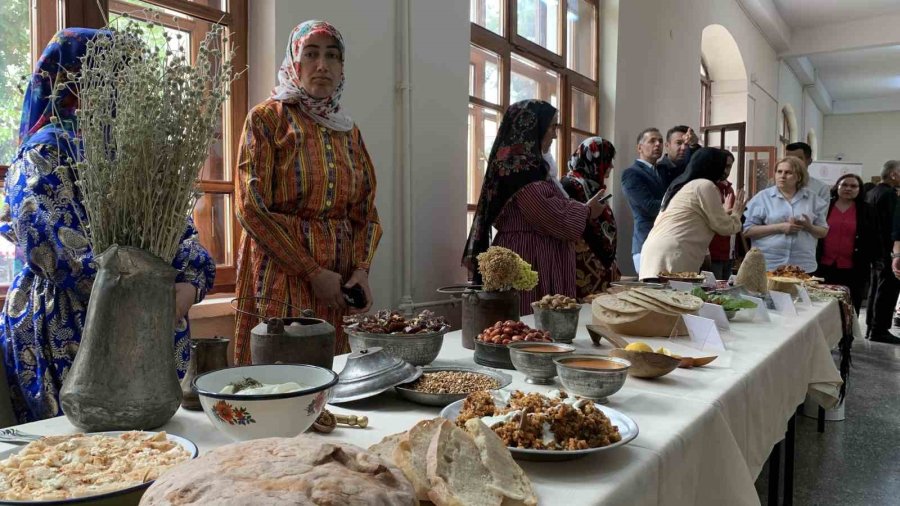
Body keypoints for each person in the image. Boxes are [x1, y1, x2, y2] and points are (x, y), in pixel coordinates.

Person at [0, 29, 215, 423]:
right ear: (74, 79)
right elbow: (54, 247)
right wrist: (143, 292)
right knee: (87, 461)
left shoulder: (136, 155)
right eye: (115, 74)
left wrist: (188, 286)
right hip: (71, 329)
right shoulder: (45, 155)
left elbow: (180, 233)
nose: (125, 88)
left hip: (156, 323)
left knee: (161, 449)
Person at [233, 21, 382, 362]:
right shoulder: (268, 120)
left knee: (332, 374)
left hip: (339, 279)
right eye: (311, 54)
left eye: (332, 56)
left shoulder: (348, 131)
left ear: (342, 68)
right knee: (281, 374)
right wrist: (311, 272)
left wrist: (361, 270)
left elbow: (365, 212)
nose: (322, 65)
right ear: (294, 63)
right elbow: (250, 207)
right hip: (281, 272)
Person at [462, 99, 607, 315]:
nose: (555, 135)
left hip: (538, 252)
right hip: (529, 256)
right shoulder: (520, 170)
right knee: (528, 323)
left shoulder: (529, 167)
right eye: (552, 127)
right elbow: (548, 214)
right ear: (532, 127)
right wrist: (586, 211)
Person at [639, 148, 745, 279]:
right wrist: (736, 214)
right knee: (673, 297)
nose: (725, 171)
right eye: (723, 166)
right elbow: (723, 227)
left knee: (653, 297)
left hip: (654, 249)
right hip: (675, 251)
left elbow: (693, 217)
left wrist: (724, 213)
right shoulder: (705, 185)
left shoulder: (680, 184)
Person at [742, 156, 829, 273]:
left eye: (788, 172)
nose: (782, 176)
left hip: (802, 264)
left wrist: (809, 227)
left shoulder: (812, 199)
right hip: (768, 263)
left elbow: (823, 232)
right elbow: (747, 231)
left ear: (799, 176)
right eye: (779, 172)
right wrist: (780, 227)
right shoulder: (762, 197)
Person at [561, 137, 621, 298]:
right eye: (608, 160)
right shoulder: (569, 185)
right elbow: (575, 222)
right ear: (594, 161)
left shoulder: (593, 186)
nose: (611, 166)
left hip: (598, 267)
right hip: (582, 267)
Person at [814, 174, 879, 314]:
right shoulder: (825, 206)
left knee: (849, 307)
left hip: (854, 267)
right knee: (822, 305)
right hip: (824, 265)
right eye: (844, 185)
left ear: (859, 189)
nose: (848, 188)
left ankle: (848, 336)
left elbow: (874, 237)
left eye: (853, 186)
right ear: (837, 186)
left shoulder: (867, 210)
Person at [864, 160, 900, 343]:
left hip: (875, 250)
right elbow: (893, 227)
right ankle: (879, 330)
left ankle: (871, 326)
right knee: (887, 291)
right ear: (893, 174)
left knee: (875, 289)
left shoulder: (872, 192)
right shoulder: (890, 195)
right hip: (887, 251)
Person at [621, 128, 665, 271]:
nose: (658, 144)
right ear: (639, 147)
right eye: (652, 141)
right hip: (645, 242)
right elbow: (648, 206)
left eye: (660, 141)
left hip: (662, 241)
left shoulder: (661, 171)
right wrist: (678, 205)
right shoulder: (632, 173)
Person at [707, 150, 738, 280]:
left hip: (728, 252)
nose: (726, 170)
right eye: (724, 165)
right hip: (712, 252)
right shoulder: (708, 187)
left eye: (729, 166)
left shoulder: (729, 188)